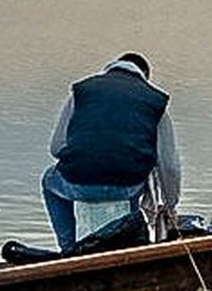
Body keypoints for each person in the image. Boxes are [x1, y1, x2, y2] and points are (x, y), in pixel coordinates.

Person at [41, 52, 181, 250]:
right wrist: (171, 204)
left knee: (49, 181)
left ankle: (68, 250)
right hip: (127, 186)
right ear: (144, 76)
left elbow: (56, 148)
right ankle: (126, 246)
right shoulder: (155, 101)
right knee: (145, 183)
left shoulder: (82, 92)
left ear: (110, 68)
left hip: (77, 181)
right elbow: (169, 166)